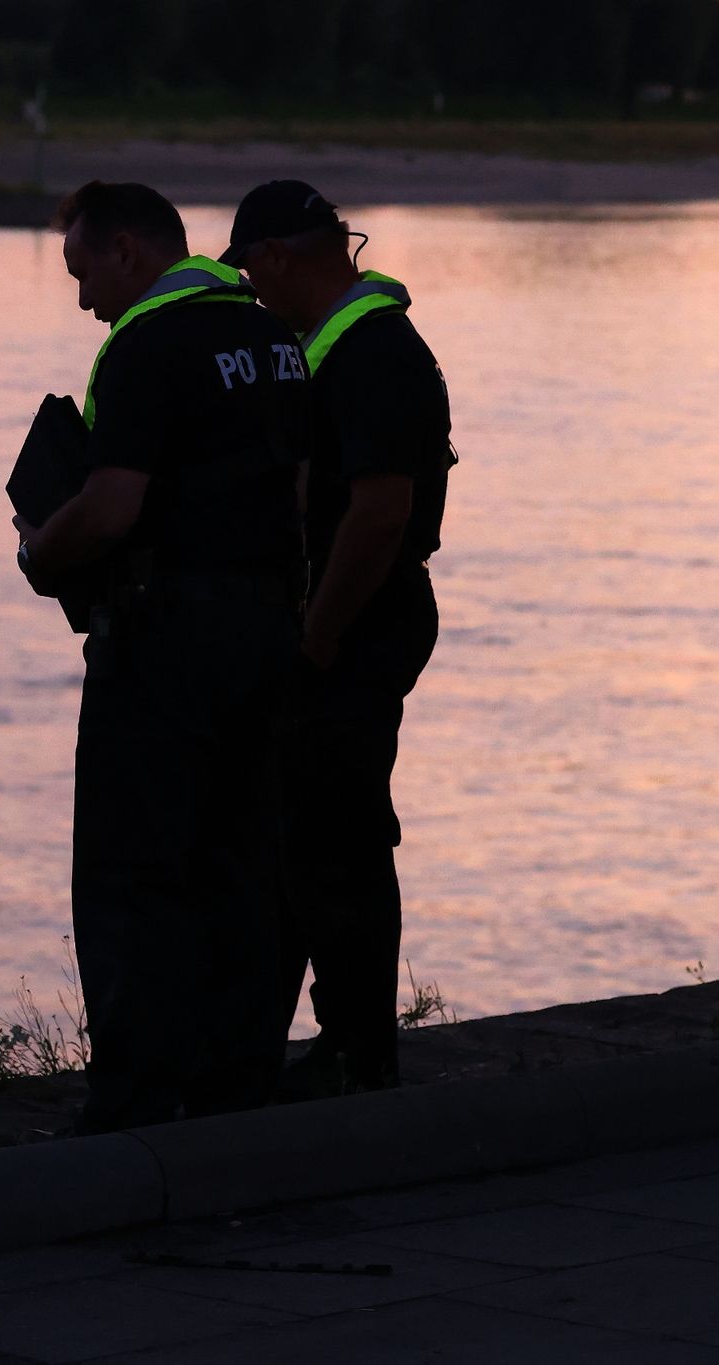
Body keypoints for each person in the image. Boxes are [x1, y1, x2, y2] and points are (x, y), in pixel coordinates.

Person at [14, 182, 309, 1132]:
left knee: (131, 869)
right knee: (243, 858)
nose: (84, 299)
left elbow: (111, 508)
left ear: (130, 251)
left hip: (165, 638)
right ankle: (237, 1079)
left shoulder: (147, 342)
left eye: (84, 270)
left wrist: (37, 550)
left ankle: (135, 1095)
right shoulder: (271, 336)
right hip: (269, 628)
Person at [218, 180, 454, 1096]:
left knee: (340, 839)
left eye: (252, 268)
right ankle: (325, 1039)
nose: (251, 287)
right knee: (310, 835)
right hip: (355, 617)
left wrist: (316, 636)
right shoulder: (341, 343)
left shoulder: (373, 352)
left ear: (279, 256)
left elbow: (380, 512)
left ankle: (360, 1051)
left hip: (360, 621)